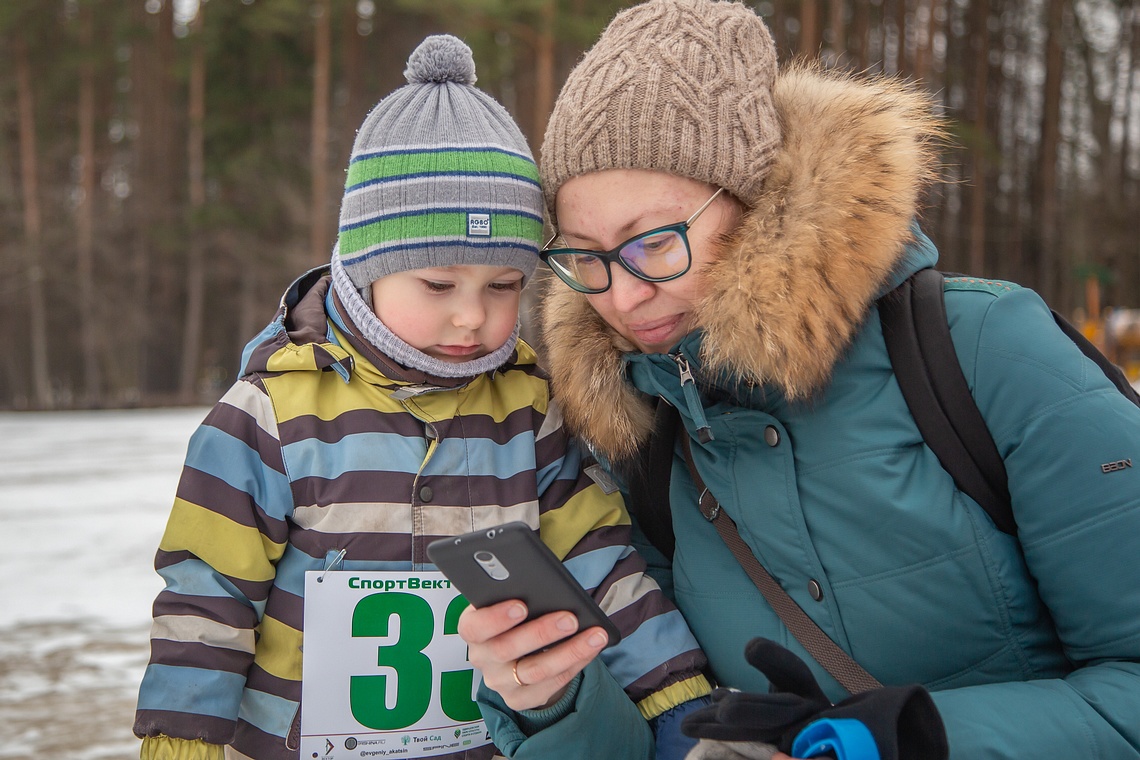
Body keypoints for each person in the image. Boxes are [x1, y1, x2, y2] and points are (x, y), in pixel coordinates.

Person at [457, 1, 1140, 758]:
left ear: (755, 204)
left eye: (653, 242)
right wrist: (554, 698)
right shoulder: (640, 430)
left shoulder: (985, 353)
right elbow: (658, 737)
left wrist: (905, 740)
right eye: (585, 256)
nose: (620, 297)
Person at [132, 34, 711, 760]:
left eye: (503, 287)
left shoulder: (528, 412)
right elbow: (206, 597)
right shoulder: (269, 416)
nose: (471, 316)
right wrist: (183, 740)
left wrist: (673, 691)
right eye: (438, 285)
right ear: (368, 270)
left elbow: (598, 554)